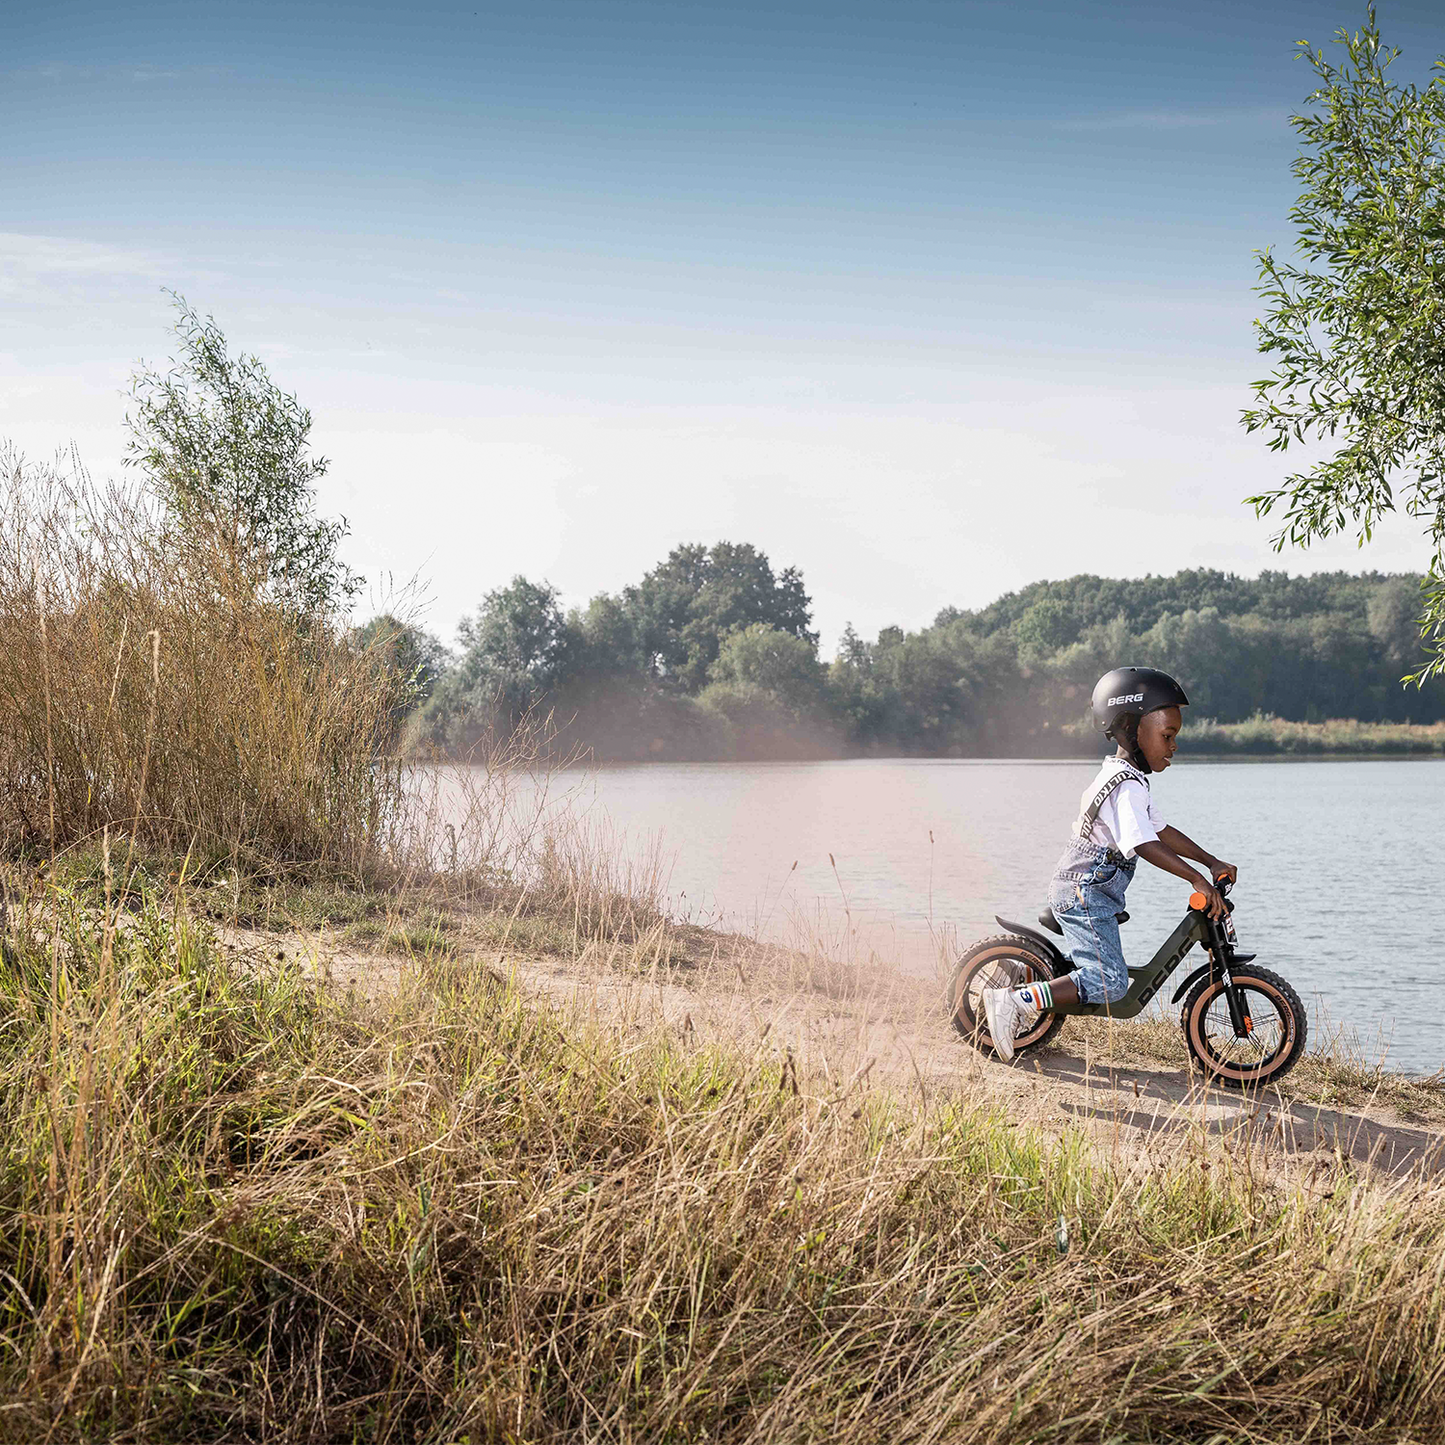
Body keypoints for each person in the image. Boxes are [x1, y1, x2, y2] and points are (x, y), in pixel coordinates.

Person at [982, 666, 1238, 1062]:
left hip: (1090, 889)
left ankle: (1028, 977)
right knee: (1109, 982)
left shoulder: (1124, 778)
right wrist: (1196, 879)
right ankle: (1015, 1001)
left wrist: (1209, 860)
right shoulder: (1126, 786)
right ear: (1132, 730)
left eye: (1175, 737)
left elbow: (1161, 830)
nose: (1173, 746)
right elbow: (1144, 843)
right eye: (1167, 736)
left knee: (1103, 972)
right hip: (1085, 892)